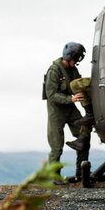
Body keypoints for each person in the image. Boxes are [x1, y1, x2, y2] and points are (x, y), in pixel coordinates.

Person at [43, 42, 90, 182]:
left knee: (84, 135)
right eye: (76, 59)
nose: (77, 62)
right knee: (56, 146)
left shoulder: (73, 70)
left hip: (70, 109)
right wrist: (71, 99)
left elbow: (78, 84)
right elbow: (51, 95)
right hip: (56, 111)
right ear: (70, 57)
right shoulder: (54, 70)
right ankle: (54, 176)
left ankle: (81, 173)